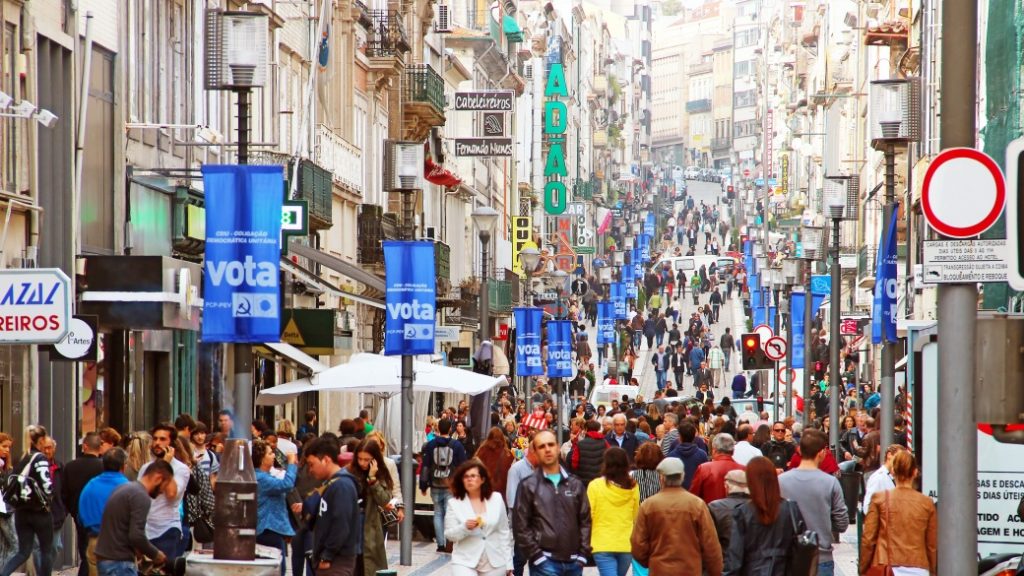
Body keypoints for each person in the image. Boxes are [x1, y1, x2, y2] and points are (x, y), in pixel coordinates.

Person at [513, 430, 592, 576]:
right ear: (535, 452)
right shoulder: (528, 486)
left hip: (574, 562)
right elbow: (521, 526)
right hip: (544, 562)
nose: (547, 449)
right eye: (542, 446)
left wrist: (582, 554)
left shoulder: (574, 484)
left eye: (550, 444)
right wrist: (536, 556)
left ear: (557, 447)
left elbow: (585, 520)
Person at [630, 457, 723, 576]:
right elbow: (710, 544)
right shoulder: (697, 505)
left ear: (661, 478)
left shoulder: (648, 505)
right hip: (690, 569)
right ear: (682, 476)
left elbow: (637, 544)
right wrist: (714, 570)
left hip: (659, 569)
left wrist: (651, 561)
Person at [778, 429, 849, 576]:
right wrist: (824, 523)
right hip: (821, 556)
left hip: (788, 555)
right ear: (821, 452)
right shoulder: (831, 483)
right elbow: (842, 523)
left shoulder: (780, 482)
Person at [722, 457, 806, 576]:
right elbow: (801, 548)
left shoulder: (743, 513)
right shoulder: (791, 509)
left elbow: (735, 558)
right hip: (785, 569)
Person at [860, 451, 937, 575]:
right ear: (915, 472)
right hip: (919, 567)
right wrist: (933, 570)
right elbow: (931, 544)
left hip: (887, 566)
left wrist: (863, 568)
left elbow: (868, 539)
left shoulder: (879, 499)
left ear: (893, 471)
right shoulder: (926, 503)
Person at [93, 460, 174, 576]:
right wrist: (156, 554)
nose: (162, 492)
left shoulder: (124, 488)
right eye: (164, 486)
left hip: (106, 559)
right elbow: (136, 535)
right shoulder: (141, 496)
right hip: (120, 563)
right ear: (158, 478)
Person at [1, 425, 55, 576]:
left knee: (23, 551)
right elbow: (46, 485)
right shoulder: (40, 458)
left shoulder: (21, 458)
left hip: (21, 511)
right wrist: (50, 497)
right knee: (46, 550)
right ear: (42, 439)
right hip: (40, 511)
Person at [444, 460, 514, 576]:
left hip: (495, 561)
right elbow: (449, 535)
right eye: (465, 477)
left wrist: (508, 563)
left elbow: (504, 532)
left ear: (482, 479)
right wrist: (464, 527)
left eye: (473, 476)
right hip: (464, 561)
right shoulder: (454, 503)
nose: (469, 479)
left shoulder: (496, 499)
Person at [304, 436, 361, 576]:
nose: (310, 470)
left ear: (326, 460)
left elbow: (341, 524)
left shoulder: (341, 486)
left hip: (336, 562)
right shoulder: (332, 484)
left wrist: (327, 556)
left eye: (312, 464)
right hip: (329, 561)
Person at [137, 424, 191, 564]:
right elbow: (140, 493)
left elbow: (172, 494)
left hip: (167, 529)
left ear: (171, 444)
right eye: (155, 439)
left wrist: (164, 466)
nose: (157, 443)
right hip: (145, 530)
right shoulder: (145, 468)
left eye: (162, 439)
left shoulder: (181, 469)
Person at [588, 448, 640, 576]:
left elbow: (588, 515)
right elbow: (636, 516)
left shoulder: (595, 486)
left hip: (602, 543)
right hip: (625, 544)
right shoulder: (633, 487)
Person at [419, 418, 468, 553]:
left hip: (435, 484)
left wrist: (423, 485)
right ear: (450, 429)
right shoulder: (457, 445)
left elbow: (425, 467)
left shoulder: (431, 445)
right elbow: (463, 466)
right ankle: (448, 543)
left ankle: (440, 544)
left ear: (439, 429)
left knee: (438, 513)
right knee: (449, 514)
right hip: (450, 486)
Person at [79, 448, 130, 576]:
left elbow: (81, 515)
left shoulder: (90, 485)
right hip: (120, 544)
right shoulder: (127, 487)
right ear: (123, 466)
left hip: (95, 541)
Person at [348, 438, 393, 576]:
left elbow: (385, 500)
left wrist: (372, 479)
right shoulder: (349, 472)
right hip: (351, 523)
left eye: (367, 459)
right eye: (360, 459)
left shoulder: (381, 473)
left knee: (368, 564)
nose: (362, 463)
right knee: (353, 562)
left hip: (371, 525)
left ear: (374, 459)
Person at [63, 432, 105, 576]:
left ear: (85, 446)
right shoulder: (103, 467)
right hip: (100, 517)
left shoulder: (70, 466)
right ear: (99, 448)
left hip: (79, 515)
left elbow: (64, 493)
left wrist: (73, 510)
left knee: (84, 551)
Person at [253, 439, 297, 575]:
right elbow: (287, 484)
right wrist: (291, 464)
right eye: (270, 453)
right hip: (268, 529)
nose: (273, 456)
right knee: (276, 569)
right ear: (261, 458)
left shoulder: (263, 476)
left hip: (270, 529)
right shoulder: (261, 478)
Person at [505, 448, 537, 576]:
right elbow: (511, 497)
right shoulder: (516, 469)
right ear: (532, 453)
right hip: (522, 520)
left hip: (537, 519)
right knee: (520, 558)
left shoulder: (540, 468)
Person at [690, 433, 745, 504]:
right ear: (733, 451)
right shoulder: (743, 470)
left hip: (709, 513)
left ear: (714, 450)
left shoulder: (704, 469)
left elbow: (693, 497)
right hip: (737, 514)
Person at [708, 470, 751, 554]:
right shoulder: (758, 506)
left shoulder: (715, 507)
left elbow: (708, 540)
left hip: (724, 559)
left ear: (726, 487)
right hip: (753, 562)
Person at [862, 444, 907, 514]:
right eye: (898, 458)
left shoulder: (897, 477)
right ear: (889, 455)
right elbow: (868, 507)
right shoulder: (878, 478)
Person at [473, 427, 515, 499]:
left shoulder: (482, 451)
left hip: (484, 491)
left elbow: (474, 467)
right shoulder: (508, 454)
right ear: (502, 438)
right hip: (502, 493)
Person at [666, 421, 708, 489]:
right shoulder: (702, 455)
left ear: (680, 437)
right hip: (696, 495)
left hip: (677, 493)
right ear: (694, 436)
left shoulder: (671, 456)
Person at [569, 420, 608, 486]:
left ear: (586, 429)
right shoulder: (605, 443)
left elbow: (574, 464)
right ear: (598, 429)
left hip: (583, 481)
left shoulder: (580, 444)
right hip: (600, 481)